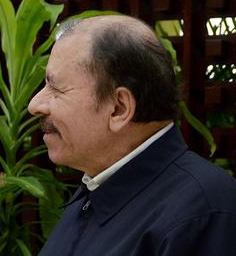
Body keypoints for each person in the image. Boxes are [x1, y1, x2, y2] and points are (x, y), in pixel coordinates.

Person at [29, 15, 236, 255]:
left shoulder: (203, 213)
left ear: (119, 108)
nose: (35, 105)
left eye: (57, 88)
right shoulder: (96, 189)